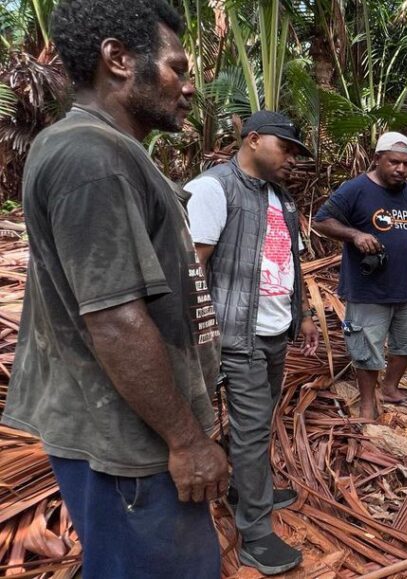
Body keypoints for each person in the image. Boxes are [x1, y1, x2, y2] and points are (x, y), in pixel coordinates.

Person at [1, 1, 228, 577]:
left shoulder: (113, 152)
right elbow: (115, 320)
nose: (189, 86)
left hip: (137, 431)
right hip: (128, 444)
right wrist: (185, 441)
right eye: (177, 67)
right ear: (119, 59)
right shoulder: (89, 157)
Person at [184, 110, 318, 575]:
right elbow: (192, 270)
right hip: (236, 334)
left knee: (257, 421)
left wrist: (302, 317)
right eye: (286, 149)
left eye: (297, 153)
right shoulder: (214, 188)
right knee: (252, 425)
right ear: (253, 139)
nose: (292, 160)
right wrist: (203, 340)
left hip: (275, 331)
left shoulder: (283, 199)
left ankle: (247, 486)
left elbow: (291, 267)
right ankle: (256, 535)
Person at [311, 132, 407, 420]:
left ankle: (390, 387)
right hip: (368, 289)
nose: (401, 169)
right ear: (377, 159)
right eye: (393, 162)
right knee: (366, 347)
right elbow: (321, 221)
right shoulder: (356, 190)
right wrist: (355, 234)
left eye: (406, 164)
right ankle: (366, 402)